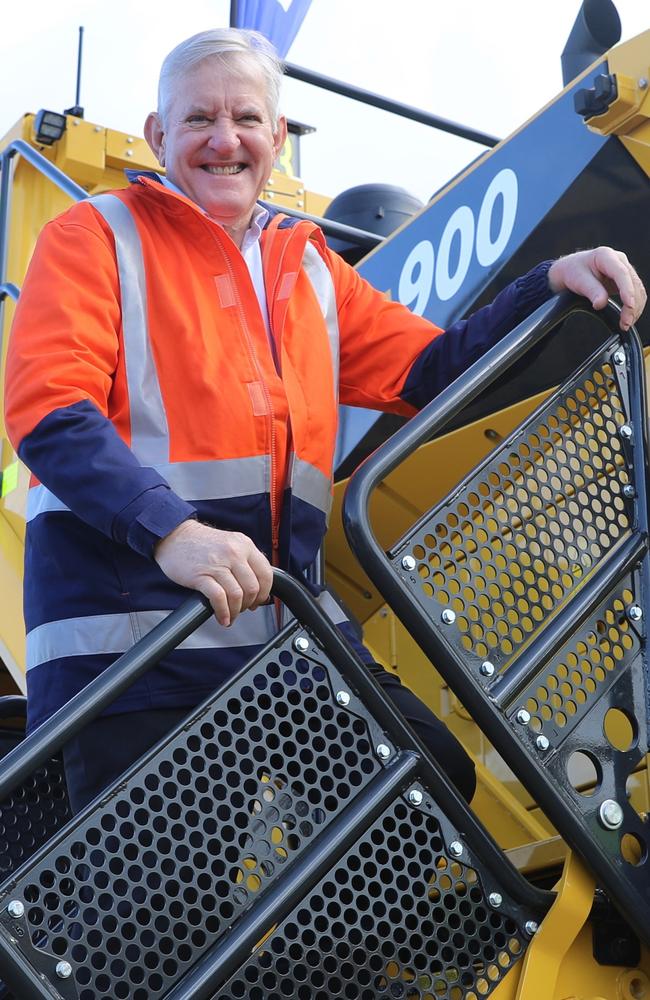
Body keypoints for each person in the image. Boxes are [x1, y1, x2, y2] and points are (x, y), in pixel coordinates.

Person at [4, 29, 646, 815]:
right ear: (157, 135)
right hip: (138, 647)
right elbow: (49, 408)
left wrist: (548, 282)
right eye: (199, 118)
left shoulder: (307, 265)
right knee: (164, 919)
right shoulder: (93, 234)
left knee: (426, 787)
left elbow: (430, 369)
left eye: (246, 118)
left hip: (283, 638)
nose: (224, 138)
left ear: (277, 137)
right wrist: (173, 532)